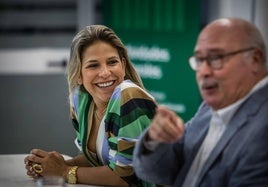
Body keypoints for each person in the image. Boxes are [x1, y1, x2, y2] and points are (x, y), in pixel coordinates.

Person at [133, 18, 268, 187]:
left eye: (216, 58)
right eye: (199, 60)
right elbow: (159, 172)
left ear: (255, 59)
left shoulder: (263, 129)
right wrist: (155, 139)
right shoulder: (211, 106)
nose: (203, 71)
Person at [24, 25, 162, 187]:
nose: (105, 73)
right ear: (79, 75)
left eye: (112, 62)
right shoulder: (80, 100)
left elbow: (124, 178)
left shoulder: (128, 95)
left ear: (123, 66)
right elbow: (98, 158)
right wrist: (50, 167)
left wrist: (63, 171)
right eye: (93, 65)